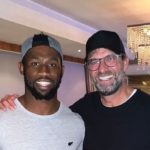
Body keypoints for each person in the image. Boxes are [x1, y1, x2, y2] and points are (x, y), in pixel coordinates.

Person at [1, 30, 150, 150]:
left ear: (124, 62)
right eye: (94, 61)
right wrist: (8, 103)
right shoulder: (83, 109)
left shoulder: (146, 109)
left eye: (110, 58)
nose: (102, 69)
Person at [0, 33, 85, 150]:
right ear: (21, 68)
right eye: (35, 64)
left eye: (52, 64)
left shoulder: (76, 124)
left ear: (62, 70)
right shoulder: (3, 120)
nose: (44, 71)